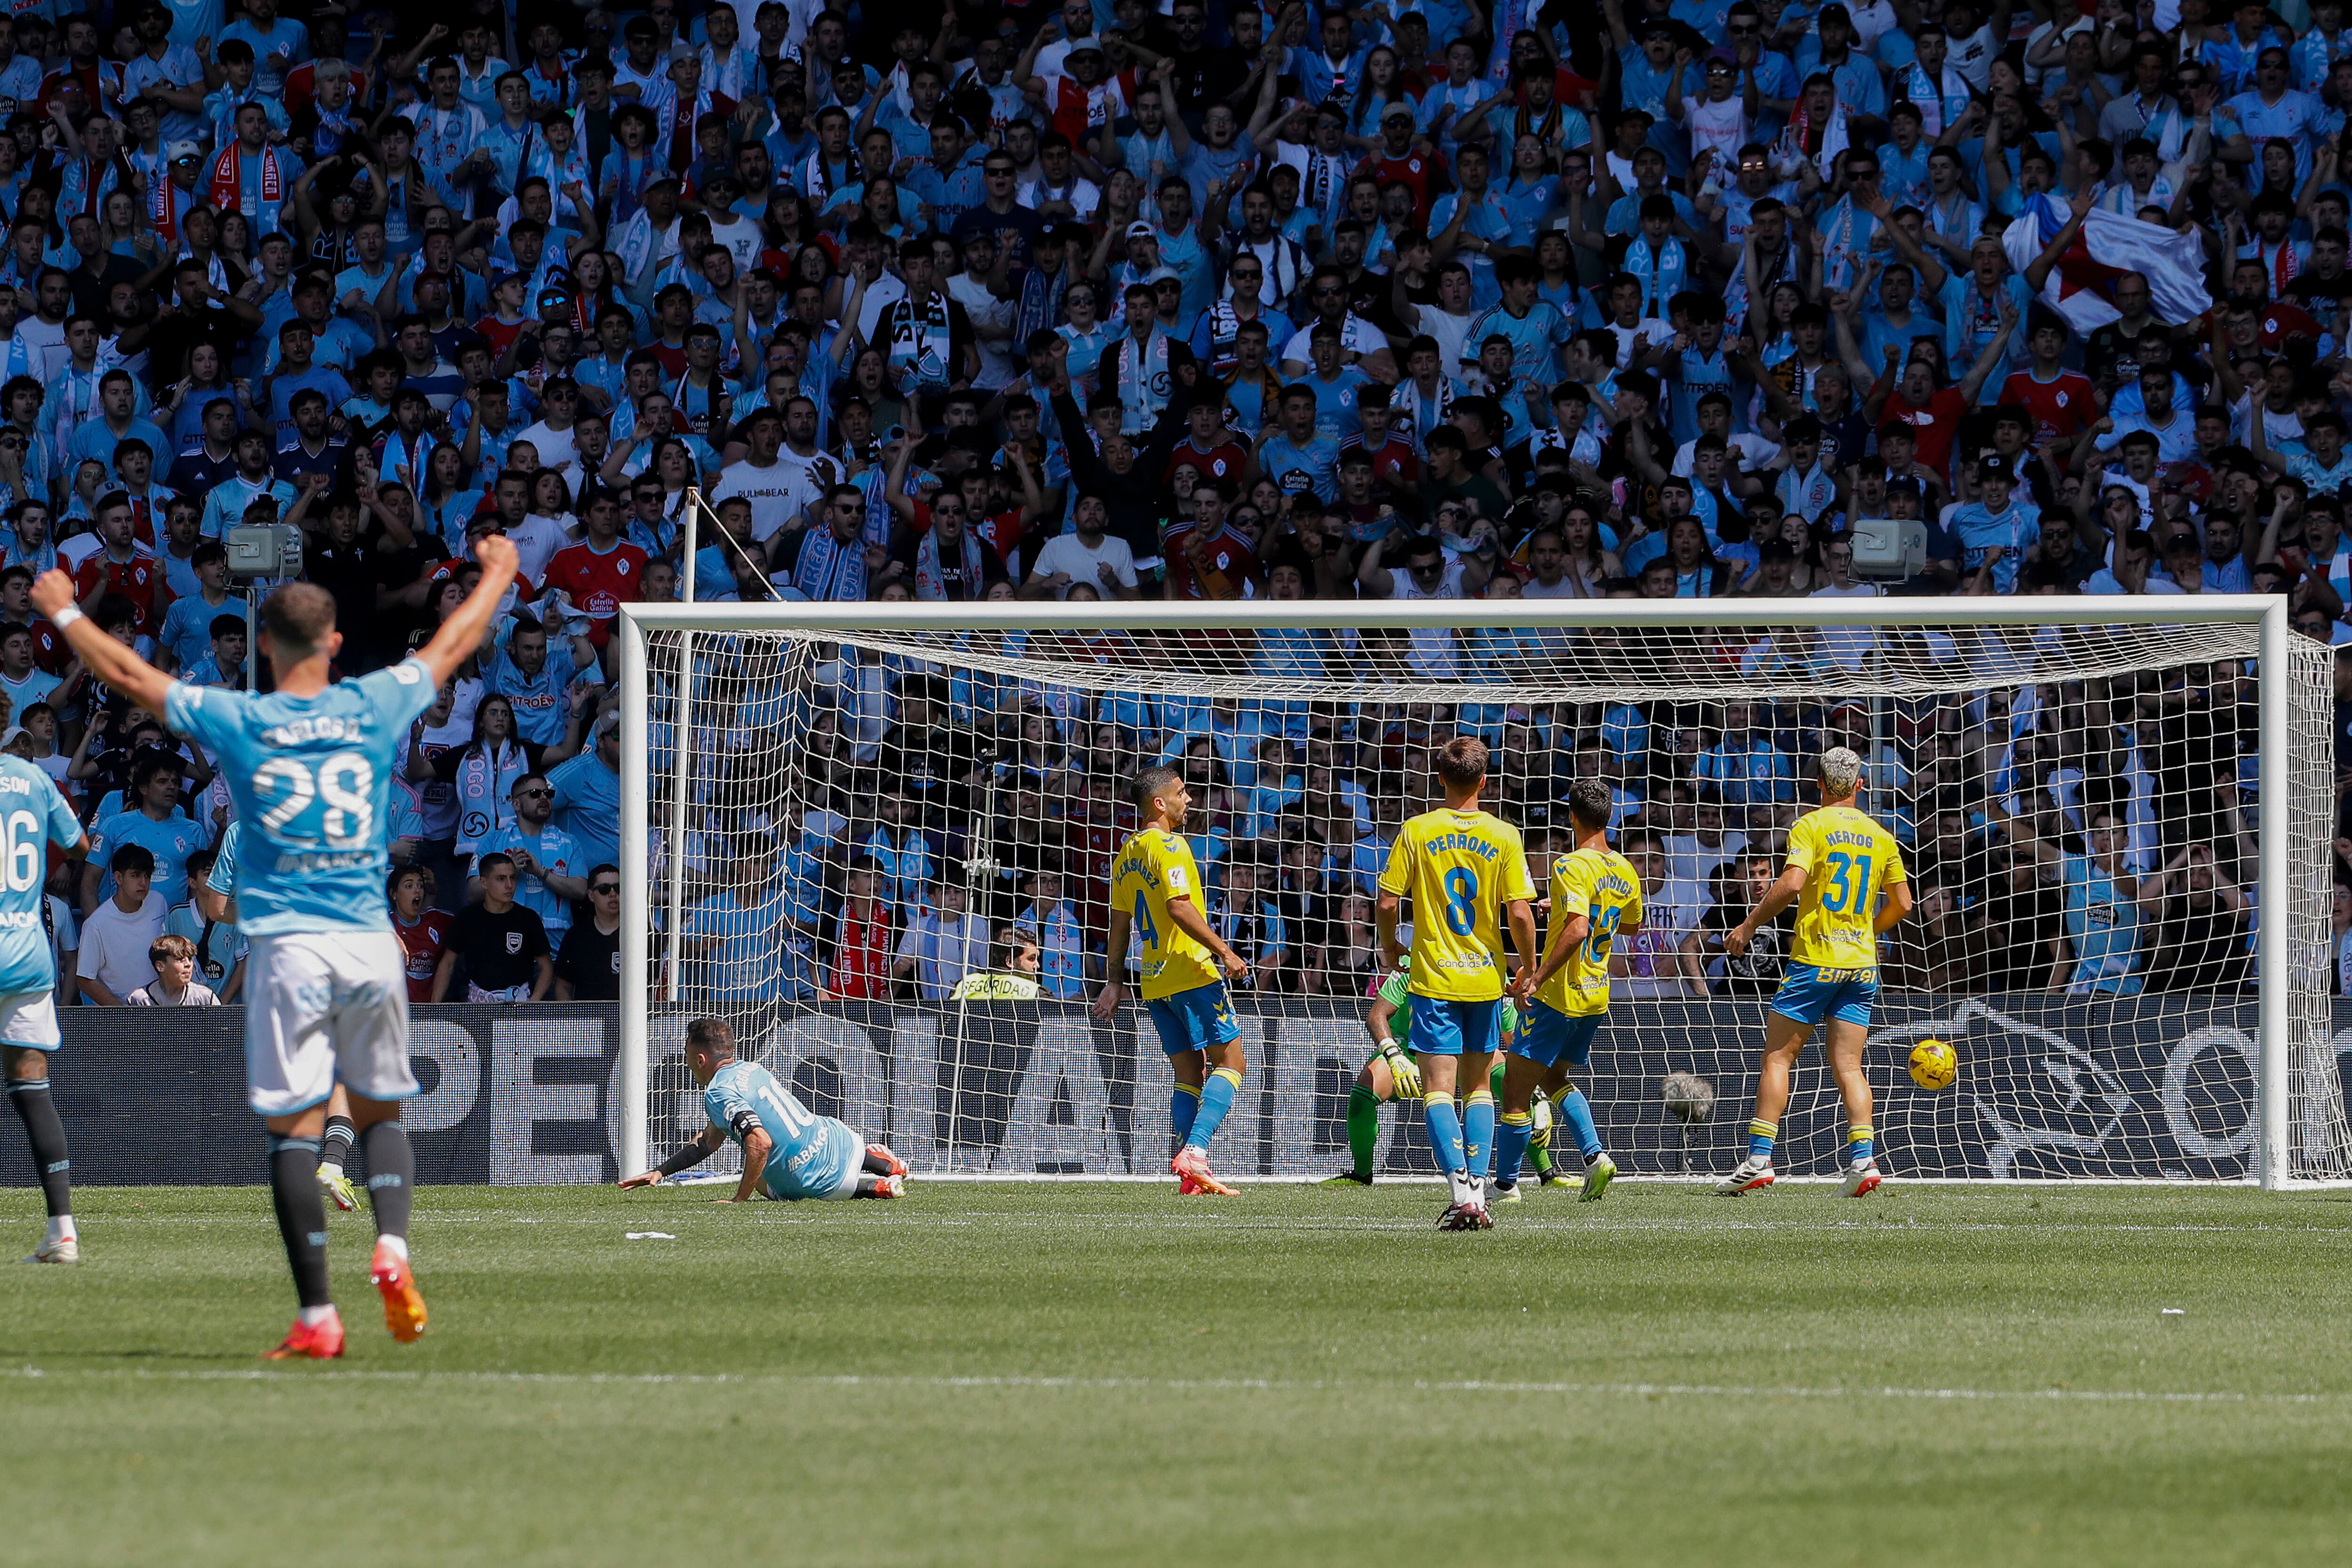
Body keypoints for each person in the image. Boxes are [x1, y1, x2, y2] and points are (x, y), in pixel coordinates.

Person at [30, 533, 521, 1359]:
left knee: (294, 1133)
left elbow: (130, 678)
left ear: (265, 642)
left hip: (289, 946)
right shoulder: (371, 703)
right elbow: (453, 642)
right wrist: (500, 573)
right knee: (376, 1111)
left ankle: (318, 1316)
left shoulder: (243, 716)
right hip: (368, 938)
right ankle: (393, 1248)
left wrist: (67, 608)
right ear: (333, 644)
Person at [1717, 748, 1915, 1197]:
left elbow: (1790, 884)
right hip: (1862, 965)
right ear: (1861, 785)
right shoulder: (1881, 834)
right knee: (1849, 1064)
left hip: (1816, 960)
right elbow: (1903, 903)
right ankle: (1863, 1161)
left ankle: (1759, 1160)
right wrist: (1870, 928)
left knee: (1778, 1058)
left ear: (1820, 785)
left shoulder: (1810, 825)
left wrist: (1748, 925)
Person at [1374, 735, 1538, 1229]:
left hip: (1433, 979)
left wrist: (1388, 946)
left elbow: (1385, 903)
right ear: (1484, 781)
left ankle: (1460, 1193)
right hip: (1485, 981)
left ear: (1440, 778)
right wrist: (1526, 967)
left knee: (1437, 1092)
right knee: (1481, 1089)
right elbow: (1519, 912)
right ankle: (1481, 1194)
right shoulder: (1504, 835)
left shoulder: (1417, 830)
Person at [1093, 764, 1253, 1196]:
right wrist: (1226, 951)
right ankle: (1196, 1150)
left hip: (1154, 981)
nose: (1189, 800)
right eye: (1182, 793)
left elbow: (1119, 927)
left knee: (1189, 1073)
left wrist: (1114, 982)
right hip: (1191, 969)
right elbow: (1180, 907)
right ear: (1159, 803)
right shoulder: (1171, 845)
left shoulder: (1126, 855)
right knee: (1232, 1062)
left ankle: (1190, 1172)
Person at [1506, 777, 1641, 1204]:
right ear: (1609, 816)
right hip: (1596, 995)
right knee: (1554, 1076)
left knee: (1514, 1092)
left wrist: (1536, 976)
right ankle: (1595, 1155)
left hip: (1558, 996)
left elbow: (1580, 927)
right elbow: (1631, 924)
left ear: (1572, 816)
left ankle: (1504, 1185)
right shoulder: (1625, 868)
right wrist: (1559, 906)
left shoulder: (1568, 865)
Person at [1325, 956, 1565, 1191]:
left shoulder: (1493, 972)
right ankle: (1362, 1174)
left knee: (1514, 1084)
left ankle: (1546, 1172)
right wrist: (1394, 1056)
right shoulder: (1414, 964)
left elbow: (1514, 1042)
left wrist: (1536, 1095)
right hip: (1410, 1052)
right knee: (1363, 1092)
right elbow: (1376, 1015)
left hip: (1468, 1053)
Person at [619, 1016, 906, 1201]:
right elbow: (708, 1142)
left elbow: (760, 1143)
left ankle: (871, 1190)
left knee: (759, 1180)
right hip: (844, 1143)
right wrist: (661, 1171)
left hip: (823, 1187)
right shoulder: (750, 1069)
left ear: (702, 1060)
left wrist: (739, 1199)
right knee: (817, 1128)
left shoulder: (718, 1091)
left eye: (689, 1056)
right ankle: (881, 1164)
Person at [0, 728, 87, 1263]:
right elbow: (79, 844)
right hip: (27, 952)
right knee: (33, 1091)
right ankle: (63, 1231)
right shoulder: (36, 778)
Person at [440, 853, 554, 1003]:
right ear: (484, 883)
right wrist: (435, 1007)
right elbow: (447, 964)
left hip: (519, 1005)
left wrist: (533, 1002)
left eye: (512, 878)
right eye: (501, 879)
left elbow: (546, 967)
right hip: (477, 1004)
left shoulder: (528, 918)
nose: (509, 885)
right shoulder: (467, 917)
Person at [553, 864, 622, 1001]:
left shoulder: (644, 933)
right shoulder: (575, 936)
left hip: (633, 1020)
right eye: (604, 889)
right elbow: (563, 987)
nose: (613, 894)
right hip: (587, 1020)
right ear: (591, 896)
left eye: (619, 888)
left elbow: (657, 983)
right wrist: (571, 1020)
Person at [126, 932, 221, 1006]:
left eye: (190, 959)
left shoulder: (205, 998)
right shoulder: (140, 1000)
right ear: (160, 966)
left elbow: (222, 1029)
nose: (188, 964)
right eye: (180, 960)